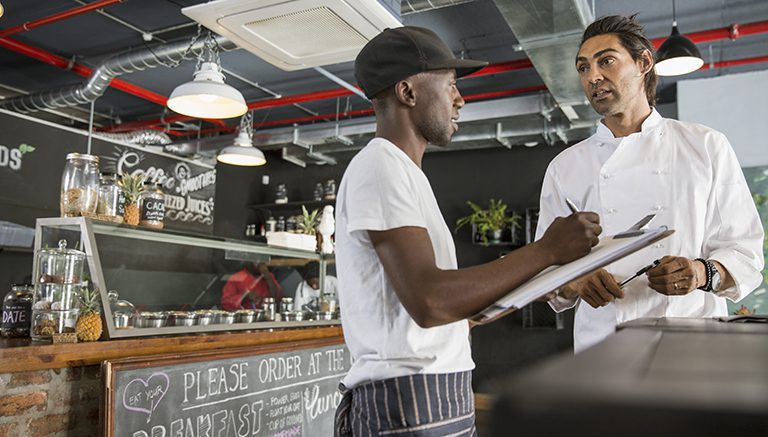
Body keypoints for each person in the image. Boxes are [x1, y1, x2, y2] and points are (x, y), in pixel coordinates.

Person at [334, 26, 603, 436]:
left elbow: (436, 302)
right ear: (408, 93)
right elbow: (430, 301)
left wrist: (488, 301)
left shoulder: (405, 173)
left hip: (434, 391)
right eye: (451, 86)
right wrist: (547, 250)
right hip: (406, 401)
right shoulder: (380, 167)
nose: (460, 100)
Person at [536, 15, 764, 353]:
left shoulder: (705, 146)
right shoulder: (565, 167)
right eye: (583, 68)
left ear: (643, 62)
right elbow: (543, 270)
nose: (592, 77)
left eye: (606, 61)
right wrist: (575, 281)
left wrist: (700, 273)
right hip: (602, 346)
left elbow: (745, 253)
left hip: (692, 344)